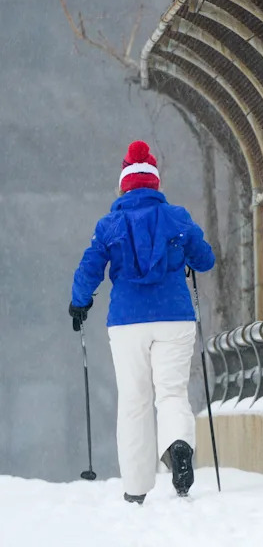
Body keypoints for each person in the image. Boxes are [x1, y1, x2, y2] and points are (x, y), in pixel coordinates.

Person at [68, 140, 215, 504]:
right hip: (174, 317)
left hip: (127, 322)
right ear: (154, 183)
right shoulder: (177, 217)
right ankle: (178, 446)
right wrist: (183, 251)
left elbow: (89, 268)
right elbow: (205, 259)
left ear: (124, 186)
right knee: (172, 393)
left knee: (134, 400)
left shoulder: (109, 224)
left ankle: (135, 488)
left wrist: (79, 303)